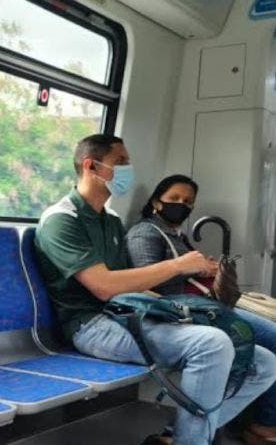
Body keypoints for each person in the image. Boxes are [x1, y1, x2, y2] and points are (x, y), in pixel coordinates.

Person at [33, 134, 276, 445]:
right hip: (90, 324)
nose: (128, 169)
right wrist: (178, 266)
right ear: (91, 166)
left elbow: (128, 281)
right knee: (212, 344)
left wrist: (182, 311)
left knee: (265, 363)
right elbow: (104, 287)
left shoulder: (110, 221)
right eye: (121, 162)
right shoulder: (62, 220)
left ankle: (180, 436)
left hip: (127, 312)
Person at [127, 174, 276, 445]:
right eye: (174, 199)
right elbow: (146, 283)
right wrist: (189, 268)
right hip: (184, 312)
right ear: (156, 202)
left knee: (266, 351)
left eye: (188, 201)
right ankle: (263, 424)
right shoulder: (146, 232)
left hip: (205, 307)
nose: (181, 205)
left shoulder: (177, 236)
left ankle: (191, 431)